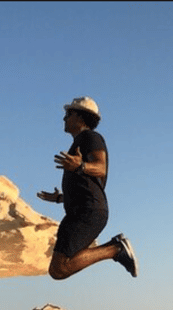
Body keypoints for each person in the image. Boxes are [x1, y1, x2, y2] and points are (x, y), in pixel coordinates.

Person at [37, 96, 138, 280]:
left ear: (81, 117)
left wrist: (80, 166)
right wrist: (60, 198)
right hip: (80, 210)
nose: (64, 118)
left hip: (88, 211)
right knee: (58, 269)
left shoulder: (90, 137)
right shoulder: (80, 141)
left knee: (59, 269)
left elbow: (101, 167)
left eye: (69, 113)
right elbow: (85, 184)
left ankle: (115, 249)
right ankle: (114, 249)